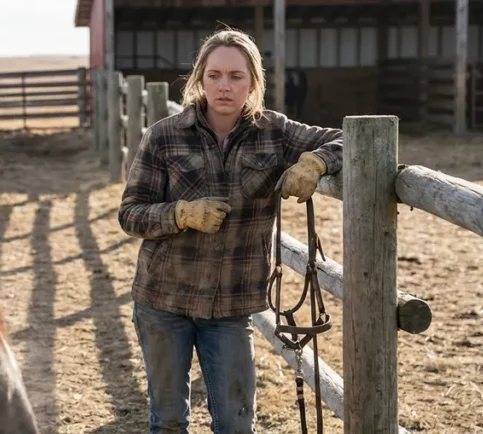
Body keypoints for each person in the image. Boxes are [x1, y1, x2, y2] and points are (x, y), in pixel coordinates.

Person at [117, 27, 343, 434]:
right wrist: (180, 213)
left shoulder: (275, 132)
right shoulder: (164, 136)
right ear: (199, 79)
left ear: (253, 81)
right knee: (167, 422)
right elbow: (130, 214)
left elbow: (351, 139)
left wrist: (315, 163)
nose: (225, 86)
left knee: (237, 426)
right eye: (215, 75)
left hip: (232, 305)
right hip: (163, 299)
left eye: (236, 76)